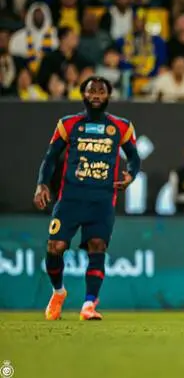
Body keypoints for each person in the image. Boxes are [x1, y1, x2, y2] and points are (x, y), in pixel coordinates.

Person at [33, 76, 141, 321]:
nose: (96, 96)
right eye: (91, 92)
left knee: (97, 246)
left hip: (102, 201)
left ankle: (89, 304)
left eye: (101, 92)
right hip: (70, 198)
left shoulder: (121, 127)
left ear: (108, 96)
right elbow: (50, 158)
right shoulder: (68, 124)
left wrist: (131, 175)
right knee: (55, 247)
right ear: (82, 95)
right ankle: (58, 292)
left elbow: (134, 158)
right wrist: (42, 184)